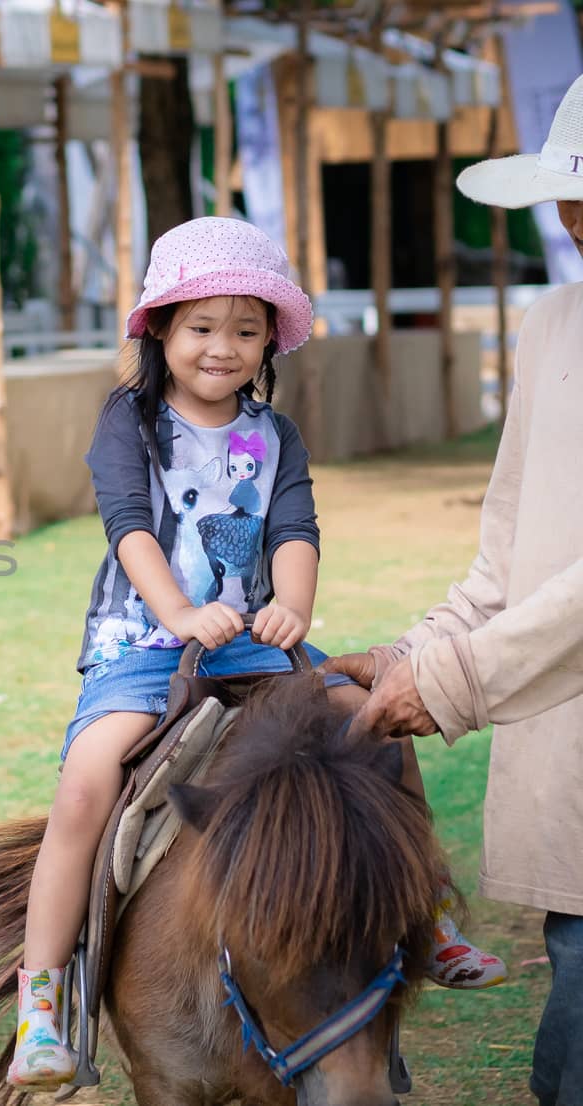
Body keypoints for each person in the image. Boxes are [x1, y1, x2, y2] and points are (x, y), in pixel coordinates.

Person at [9, 216, 500, 1091]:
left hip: (254, 646)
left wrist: (292, 606)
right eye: (201, 327)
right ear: (159, 330)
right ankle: (44, 1004)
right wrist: (181, 613)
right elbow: (130, 528)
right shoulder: (130, 422)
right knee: (85, 783)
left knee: (378, 718)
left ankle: (430, 915)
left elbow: (294, 530)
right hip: (145, 641)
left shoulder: (276, 436)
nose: (222, 348)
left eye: (245, 329)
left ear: (270, 338)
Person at [320, 72, 583, 1106]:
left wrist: (454, 679)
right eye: (571, 195)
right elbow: (506, 552)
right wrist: (408, 653)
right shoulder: (550, 324)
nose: (571, 217)